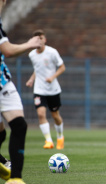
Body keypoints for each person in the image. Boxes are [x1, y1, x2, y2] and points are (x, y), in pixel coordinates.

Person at [0, 0, 42, 183]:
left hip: (2, 82)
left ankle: (16, 179)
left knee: (19, 125)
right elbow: (7, 51)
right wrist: (29, 44)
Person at [26, 29, 66, 150]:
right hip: (39, 89)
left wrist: (52, 77)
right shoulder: (31, 54)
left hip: (53, 89)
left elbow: (62, 67)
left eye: (41, 38)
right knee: (41, 114)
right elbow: (37, 69)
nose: (39, 41)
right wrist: (31, 79)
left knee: (55, 116)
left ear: (45, 40)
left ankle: (60, 137)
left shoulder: (52, 52)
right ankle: (48, 140)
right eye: (37, 39)